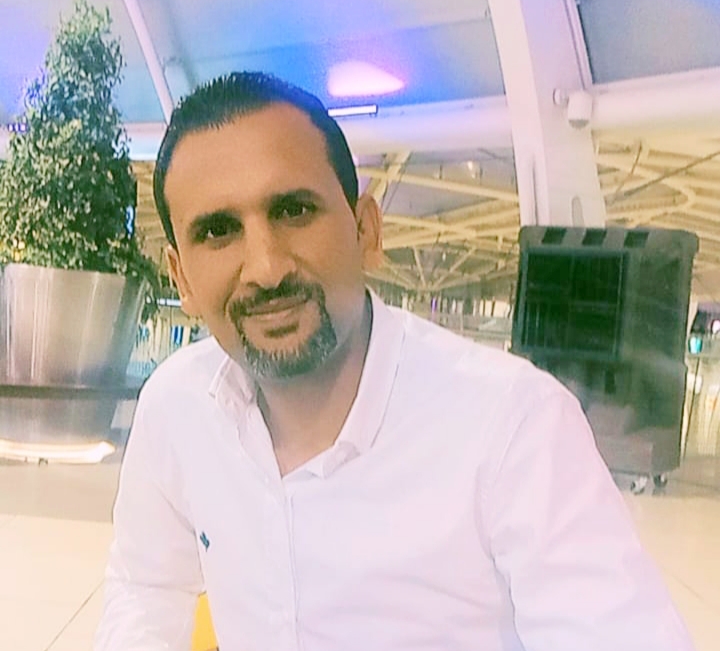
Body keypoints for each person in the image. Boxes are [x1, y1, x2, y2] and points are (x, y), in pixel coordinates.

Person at [95, 71, 695, 651]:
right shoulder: (177, 406)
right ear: (181, 277)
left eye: (294, 211)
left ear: (366, 231)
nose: (267, 268)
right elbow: (147, 587)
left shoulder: (512, 425)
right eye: (218, 232)